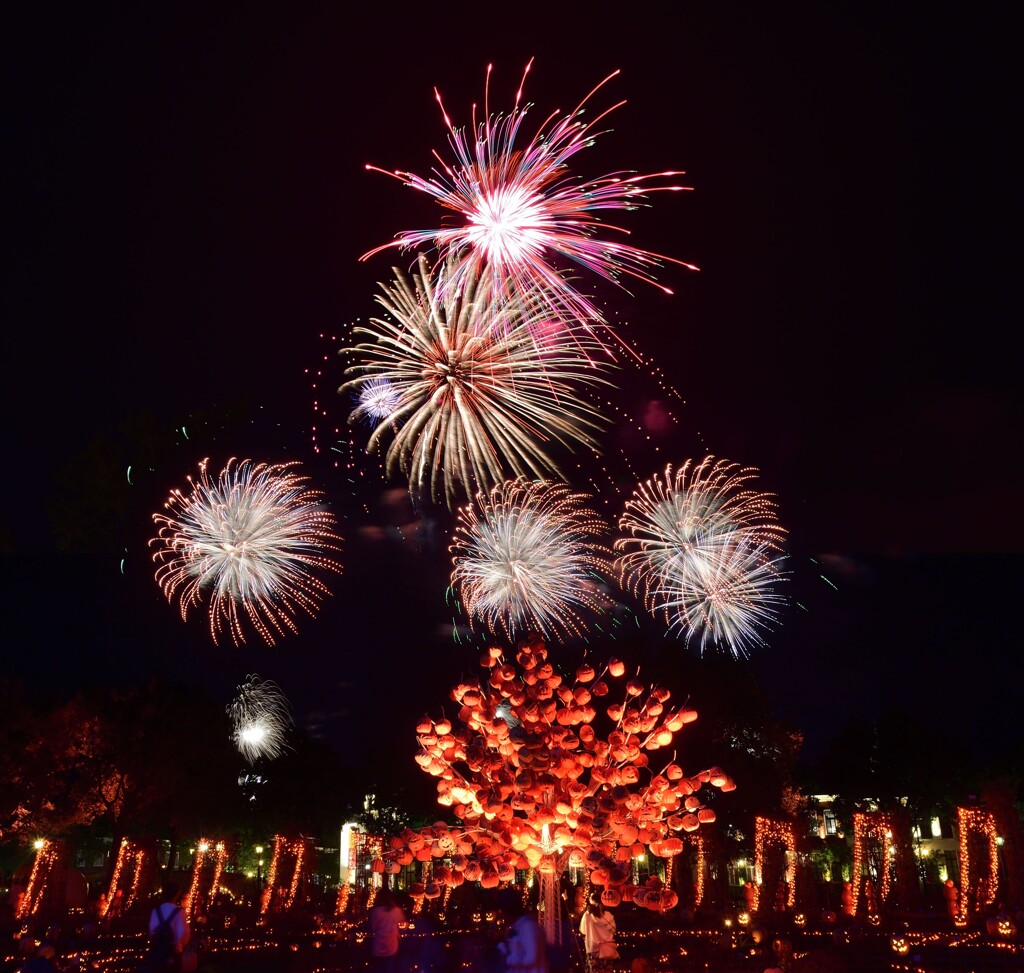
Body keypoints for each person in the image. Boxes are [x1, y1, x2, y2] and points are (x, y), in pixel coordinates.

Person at [497, 888, 548, 973]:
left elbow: (531, 957)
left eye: (501, 911)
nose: (501, 915)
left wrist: (508, 958)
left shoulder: (528, 926)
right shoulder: (516, 926)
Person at [144, 880, 190, 971]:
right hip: (174, 955)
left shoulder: (155, 911)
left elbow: (151, 932)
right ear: (177, 894)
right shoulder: (180, 913)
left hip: (157, 955)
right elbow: (185, 937)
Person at [369, 886, 405, 973]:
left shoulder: (376, 911)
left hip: (379, 944)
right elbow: (404, 923)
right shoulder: (396, 911)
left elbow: (373, 927)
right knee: (390, 968)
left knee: (378, 968)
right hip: (392, 944)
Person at [579, 894, 617, 973]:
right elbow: (613, 930)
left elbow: (583, 930)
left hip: (593, 950)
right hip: (607, 950)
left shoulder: (587, 915)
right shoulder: (608, 916)